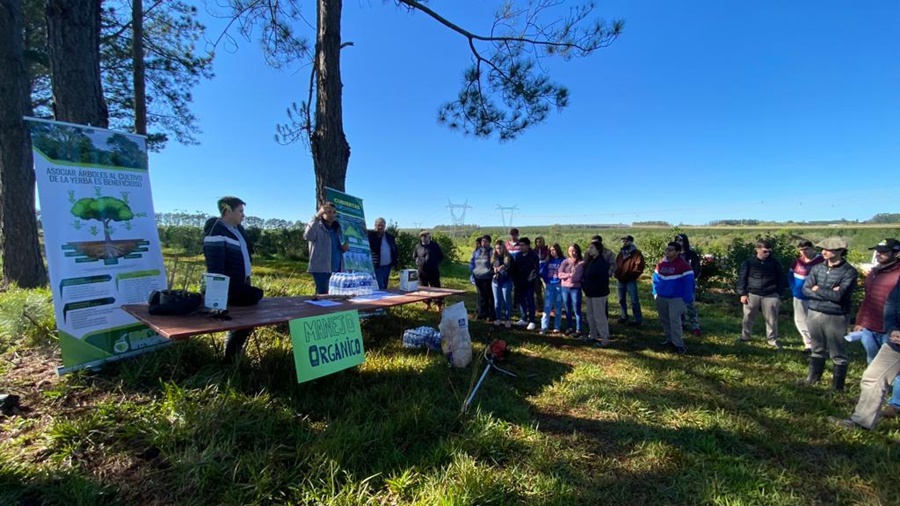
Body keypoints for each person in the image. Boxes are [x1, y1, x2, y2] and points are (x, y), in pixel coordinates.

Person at [829, 280, 900, 431]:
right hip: (896, 344)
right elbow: (891, 304)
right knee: (873, 377)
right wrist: (892, 329)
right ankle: (862, 423)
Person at [202, 196, 264, 362]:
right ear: (228, 210)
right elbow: (215, 267)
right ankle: (230, 359)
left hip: (242, 282)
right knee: (241, 321)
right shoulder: (216, 231)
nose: (243, 215)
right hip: (228, 288)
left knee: (246, 320)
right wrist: (218, 298)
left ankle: (233, 353)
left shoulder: (237, 230)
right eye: (240, 211)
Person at [799, 237, 858, 391]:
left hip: (836, 315)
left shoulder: (849, 271)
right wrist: (828, 292)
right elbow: (805, 289)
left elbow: (839, 296)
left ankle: (837, 387)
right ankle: (813, 379)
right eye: (823, 249)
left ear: (839, 251)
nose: (823, 252)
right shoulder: (817, 268)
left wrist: (817, 290)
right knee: (816, 348)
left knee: (837, 352)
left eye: (828, 249)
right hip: (814, 312)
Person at [853, 239, 900, 417]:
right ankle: (870, 405)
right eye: (878, 251)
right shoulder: (874, 272)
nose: (879, 254)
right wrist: (860, 320)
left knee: (896, 373)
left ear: (896, 253)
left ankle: (895, 405)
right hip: (873, 326)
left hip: (892, 333)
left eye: (884, 251)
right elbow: (871, 300)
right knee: (873, 368)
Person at [736, 239, 787, 348]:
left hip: (771, 294)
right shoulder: (748, 262)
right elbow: (742, 278)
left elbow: (782, 278)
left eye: (769, 251)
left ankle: (772, 339)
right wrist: (742, 294)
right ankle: (745, 336)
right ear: (757, 250)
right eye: (765, 251)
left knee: (772, 319)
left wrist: (778, 294)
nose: (767, 253)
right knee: (748, 316)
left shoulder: (775, 263)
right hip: (752, 294)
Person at [652, 241, 695, 354]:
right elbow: (655, 278)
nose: (667, 252)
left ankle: (678, 344)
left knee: (675, 320)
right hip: (661, 297)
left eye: (670, 250)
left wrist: (686, 298)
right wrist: (655, 292)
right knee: (664, 320)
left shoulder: (683, 265)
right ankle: (669, 339)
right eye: (666, 249)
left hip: (677, 298)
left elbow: (689, 283)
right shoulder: (661, 263)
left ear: (677, 252)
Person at [788, 240, 824, 353]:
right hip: (799, 295)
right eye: (801, 250)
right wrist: (793, 288)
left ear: (812, 248)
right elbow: (790, 276)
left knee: (816, 321)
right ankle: (808, 343)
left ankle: (820, 344)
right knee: (800, 320)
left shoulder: (821, 261)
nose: (803, 252)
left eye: (806, 249)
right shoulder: (797, 262)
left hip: (815, 297)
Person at [304, 202, 348, 294]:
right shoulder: (317, 226)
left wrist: (343, 248)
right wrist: (316, 216)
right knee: (324, 297)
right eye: (328, 212)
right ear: (322, 213)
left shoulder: (337, 228)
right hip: (321, 270)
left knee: (337, 296)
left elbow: (337, 246)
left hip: (337, 269)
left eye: (334, 212)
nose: (332, 214)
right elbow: (308, 236)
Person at [582, 239, 612, 347]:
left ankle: (604, 339)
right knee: (590, 316)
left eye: (592, 248)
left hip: (598, 294)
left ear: (598, 249)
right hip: (589, 293)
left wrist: (594, 289)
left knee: (599, 317)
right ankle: (593, 335)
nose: (589, 250)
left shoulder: (602, 263)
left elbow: (603, 280)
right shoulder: (591, 261)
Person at [674, 233, 702, 337]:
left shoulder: (691, 254)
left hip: (688, 284)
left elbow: (697, 269)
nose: (678, 242)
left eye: (680, 240)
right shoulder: (674, 255)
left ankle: (695, 326)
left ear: (685, 241)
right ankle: (682, 324)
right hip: (676, 284)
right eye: (677, 240)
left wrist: (690, 279)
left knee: (691, 306)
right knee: (678, 306)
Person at [614, 235, 645, 327]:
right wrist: (617, 274)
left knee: (634, 300)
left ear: (631, 241)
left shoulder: (637, 253)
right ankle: (624, 316)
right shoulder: (621, 253)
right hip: (620, 280)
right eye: (623, 241)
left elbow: (639, 267)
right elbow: (617, 264)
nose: (624, 242)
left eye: (626, 241)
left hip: (630, 280)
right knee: (621, 299)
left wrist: (630, 276)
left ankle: (638, 319)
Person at [511, 237, 539, 330]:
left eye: (523, 245)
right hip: (519, 282)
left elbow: (535, 270)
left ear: (528, 245)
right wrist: (515, 279)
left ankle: (532, 320)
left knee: (530, 301)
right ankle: (523, 318)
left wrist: (531, 280)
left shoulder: (533, 256)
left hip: (529, 283)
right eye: (520, 245)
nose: (521, 247)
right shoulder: (518, 255)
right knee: (521, 301)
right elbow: (514, 269)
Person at [413, 230, 444, 310]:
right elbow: (414, 256)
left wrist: (435, 264)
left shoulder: (435, 245)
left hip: (433, 270)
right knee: (423, 287)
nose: (424, 238)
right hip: (422, 271)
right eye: (422, 236)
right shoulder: (418, 246)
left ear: (429, 236)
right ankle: (427, 303)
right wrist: (418, 263)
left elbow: (441, 256)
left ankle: (438, 304)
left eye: (425, 236)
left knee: (435, 287)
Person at [559, 243, 585, 337]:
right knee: (567, 308)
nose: (572, 253)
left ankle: (578, 329)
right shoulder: (565, 262)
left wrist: (569, 276)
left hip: (575, 288)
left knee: (577, 309)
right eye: (570, 251)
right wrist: (569, 275)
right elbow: (560, 274)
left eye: (574, 250)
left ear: (577, 251)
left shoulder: (581, 263)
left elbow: (576, 277)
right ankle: (569, 327)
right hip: (564, 288)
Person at [540, 243, 565, 334]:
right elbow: (542, 272)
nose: (552, 252)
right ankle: (544, 327)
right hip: (550, 285)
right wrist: (547, 280)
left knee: (558, 307)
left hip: (559, 286)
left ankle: (557, 326)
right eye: (550, 250)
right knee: (547, 307)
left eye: (554, 250)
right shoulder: (548, 261)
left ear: (558, 250)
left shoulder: (563, 260)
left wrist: (561, 280)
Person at [367, 217, 398, 290]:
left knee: (385, 285)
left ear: (385, 226)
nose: (380, 227)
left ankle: (385, 298)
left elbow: (394, 249)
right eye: (378, 225)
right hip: (377, 266)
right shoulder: (371, 235)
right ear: (375, 225)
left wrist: (395, 261)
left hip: (387, 266)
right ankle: (381, 300)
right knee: (380, 286)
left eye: (382, 225)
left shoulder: (390, 236)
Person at [470, 235, 496, 321]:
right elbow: (472, 262)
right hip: (478, 277)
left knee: (489, 296)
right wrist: (473, 271)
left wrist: (491, 272)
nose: (483, 243)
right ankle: (481, 313)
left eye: (486, 241)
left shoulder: (491, 252)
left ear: (489, 242)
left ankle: (491, 315)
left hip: (487, 277)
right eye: (482, 241)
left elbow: (494, 264)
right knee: (480, 296)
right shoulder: (477, 251)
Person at [491, 240, 514, 328]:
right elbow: (489, 267)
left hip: (506, 281)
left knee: (506, 301)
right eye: (497, 248)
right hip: (496, 282)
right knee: (497, 301)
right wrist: (493, 270)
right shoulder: (493, 257)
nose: (498, 250)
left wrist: (504, 268)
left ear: (503, 248)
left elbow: (512, 269)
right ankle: (498, 318)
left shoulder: (508, 257)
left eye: (500, 248)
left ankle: (507, 319)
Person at [533, 236, 550, 312]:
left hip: (545, 273)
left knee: (547, 290)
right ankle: (540, 306)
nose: (538, 243)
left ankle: (549, 306)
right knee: (537, 291)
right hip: (536, 273)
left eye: (540, 242)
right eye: (537, 242)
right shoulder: (534, 251)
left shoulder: (547, 250)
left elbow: (548, 260)